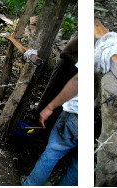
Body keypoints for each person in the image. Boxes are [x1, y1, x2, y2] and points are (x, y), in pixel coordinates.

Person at [23, 37, 78, 186]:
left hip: (75, 115)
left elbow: (77, 81)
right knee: (78, 165)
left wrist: (49, 107)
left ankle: (31, 184)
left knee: (54, 150)